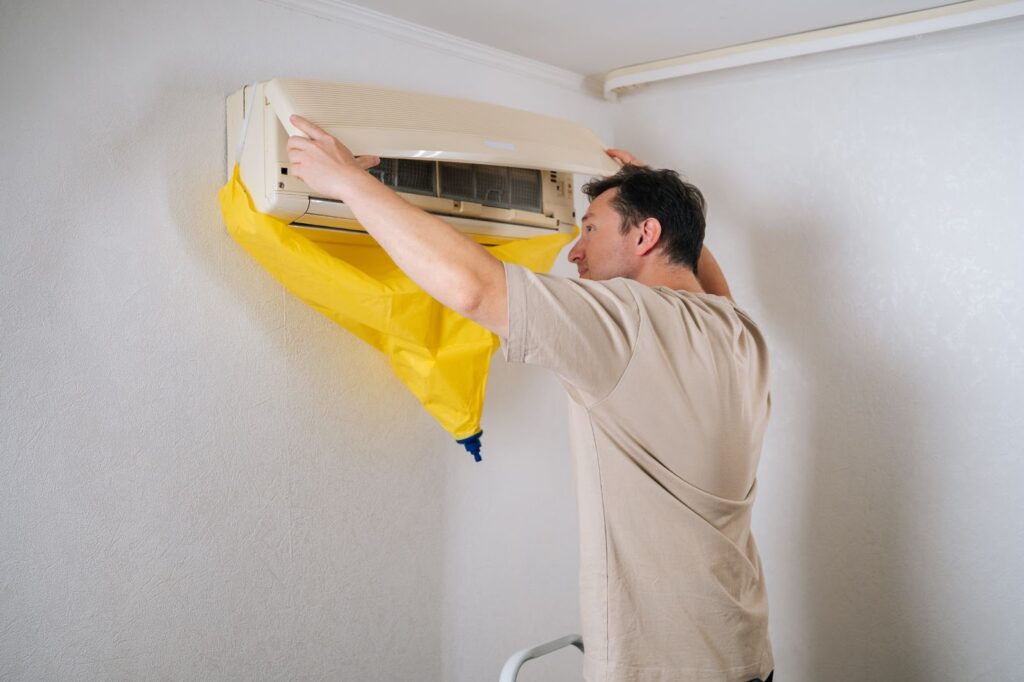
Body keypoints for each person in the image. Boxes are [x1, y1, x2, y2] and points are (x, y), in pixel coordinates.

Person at [285, 115, 774, 682]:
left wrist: (348, 181)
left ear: (645, 237)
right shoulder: (738, 329)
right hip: (743, 650)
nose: (574, 252)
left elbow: (475, 288)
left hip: (664, 667)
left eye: (589, 229)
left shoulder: (628, 320)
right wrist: (655, 191)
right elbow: (698, 273)